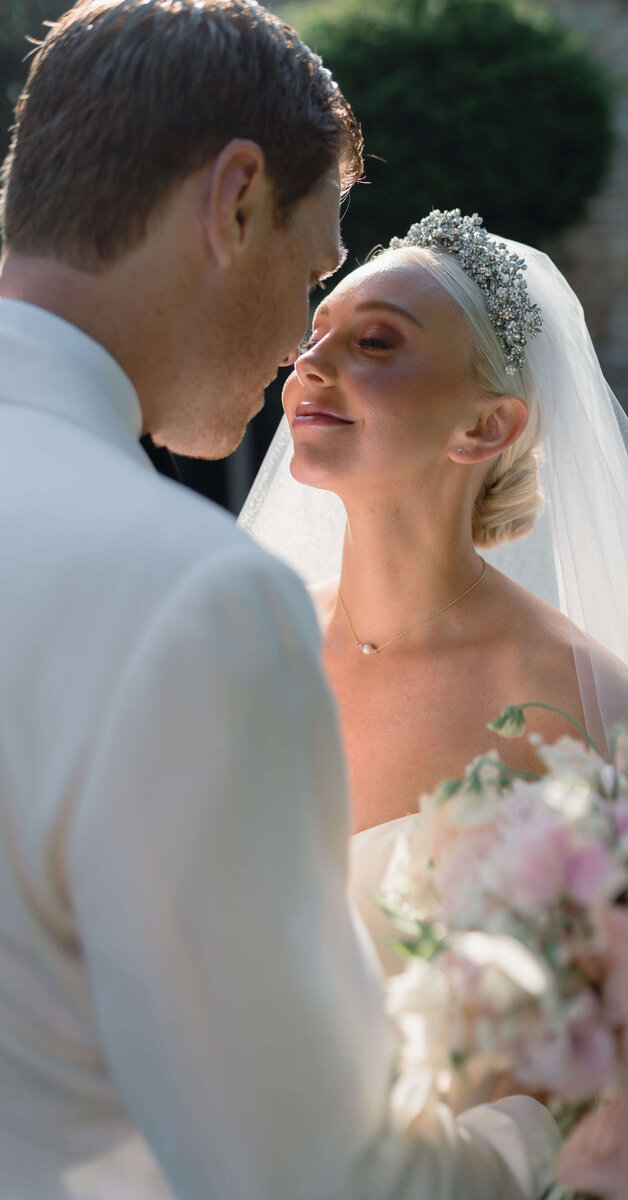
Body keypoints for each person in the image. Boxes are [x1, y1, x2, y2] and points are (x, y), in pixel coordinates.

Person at [0, 8, 558, 1199]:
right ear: (235, 201)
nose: (295, 357)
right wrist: (537, 1137)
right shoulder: (190, 599)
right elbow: (322, 1178)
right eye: (312, 273)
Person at [240, 210, 628, 1200]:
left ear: (485, 426)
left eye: (374, 343)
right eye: (316, 333)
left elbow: (626, 1069)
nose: (310, 365)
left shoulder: (573, 697)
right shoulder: (249, 650)